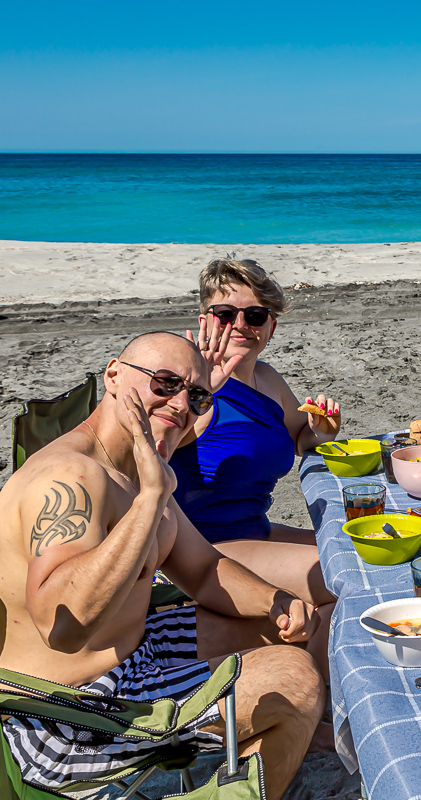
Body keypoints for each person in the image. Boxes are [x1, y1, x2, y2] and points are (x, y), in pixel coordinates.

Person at [0, 332, 325, 800]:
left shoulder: (136, 464)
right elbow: (62, 626)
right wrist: (151, 499)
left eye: (196, 395)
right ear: (114, 374)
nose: (180, 404)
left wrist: (278, 603)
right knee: (295, 680)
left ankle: (262, 751)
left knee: (294, 630)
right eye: (165, 383)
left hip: (138, 653)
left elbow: (203, 570)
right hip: (70, 712)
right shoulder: (71, 478)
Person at [170, 258, 338, 673]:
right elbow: (148, 451)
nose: (241, 324)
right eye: (226, 314)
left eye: (255, 315)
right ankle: (322, 711)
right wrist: (198, 391)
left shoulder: (267, 378)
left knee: (354, 558)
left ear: (271, 326)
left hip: (253, 529)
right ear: (206, 321)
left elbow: (301, 437)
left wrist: (322, 430)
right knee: (338, 580)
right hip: (201, 546)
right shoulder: (186, 388)